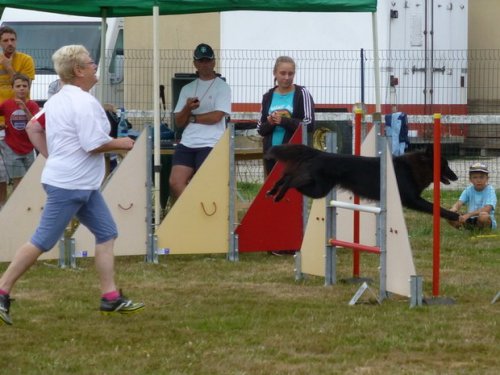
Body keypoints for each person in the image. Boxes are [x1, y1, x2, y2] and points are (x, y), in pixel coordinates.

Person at [0, 45, 144, 326]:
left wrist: (53, 157)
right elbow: (93, 145)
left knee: (107, 232)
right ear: (79, 70)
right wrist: (123, 144)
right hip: (70, 185)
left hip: (80, 183)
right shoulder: (85, 102)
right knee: (42, 240)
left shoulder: (56, 100)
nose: (95, 67)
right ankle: (2, 290)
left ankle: (110, 296)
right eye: (91, 63)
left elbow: (33, 128)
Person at [169, 43, 231, 201]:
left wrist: (193, 117)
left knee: (204, 184)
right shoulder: (187, 88)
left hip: (211, 143)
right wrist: (187, 108)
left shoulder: (222, 87)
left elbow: (217, 116)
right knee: (175, 182)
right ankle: (193, 211)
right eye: (201, 61)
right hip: (188, 142)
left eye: (207, 60)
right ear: (195, 63)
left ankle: (199, 214)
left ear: (214, 62)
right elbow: (178, 121)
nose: (204, 64)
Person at [257, 56, 315, 176]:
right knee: (274, 191)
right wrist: (270, 123)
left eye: (291, 74)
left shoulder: (302, 93)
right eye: (283, 73)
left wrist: (283, 121)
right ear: (275, 73)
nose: (287, 77)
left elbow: (309, 125)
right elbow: (260, 129)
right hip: (271, 154)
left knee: (292, 192)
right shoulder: (267, 96)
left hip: (294, 156)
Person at [0, 25, 35, 208]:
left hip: (18, 123)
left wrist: (8, 67)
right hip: (1, 123)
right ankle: (3, 208)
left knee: (21, 173)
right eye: (5, 40)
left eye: (12, 40)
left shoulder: (25, 60)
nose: (9, 43)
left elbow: (24, 89)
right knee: (0, 175)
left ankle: (22, 206)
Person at [0, 73, 41, 201]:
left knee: (29, 180)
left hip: (28, 148)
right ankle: (19, 207)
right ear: (12, 88)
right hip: (12, 148)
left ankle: (26, 205)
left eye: (24, 86)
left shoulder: (32, 105)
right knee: (19, 182)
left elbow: (36, 124)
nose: (21, 88)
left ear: (29, 88)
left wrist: (25, 109)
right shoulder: (6, 104)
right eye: (18, 86)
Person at [449, 162, 497, 230]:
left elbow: (487, 209)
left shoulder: (490, 190)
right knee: (450, 215)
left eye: (481, 177)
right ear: (470, 179)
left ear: (487, 178)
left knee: (483, 216)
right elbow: (459, 203)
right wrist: (454, 209)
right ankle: (464, 230)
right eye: (475, 177)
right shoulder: (468, 189)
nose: (478, 180)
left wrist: (468, 215)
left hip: (482, 219)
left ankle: (484, 231)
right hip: (470, 220)